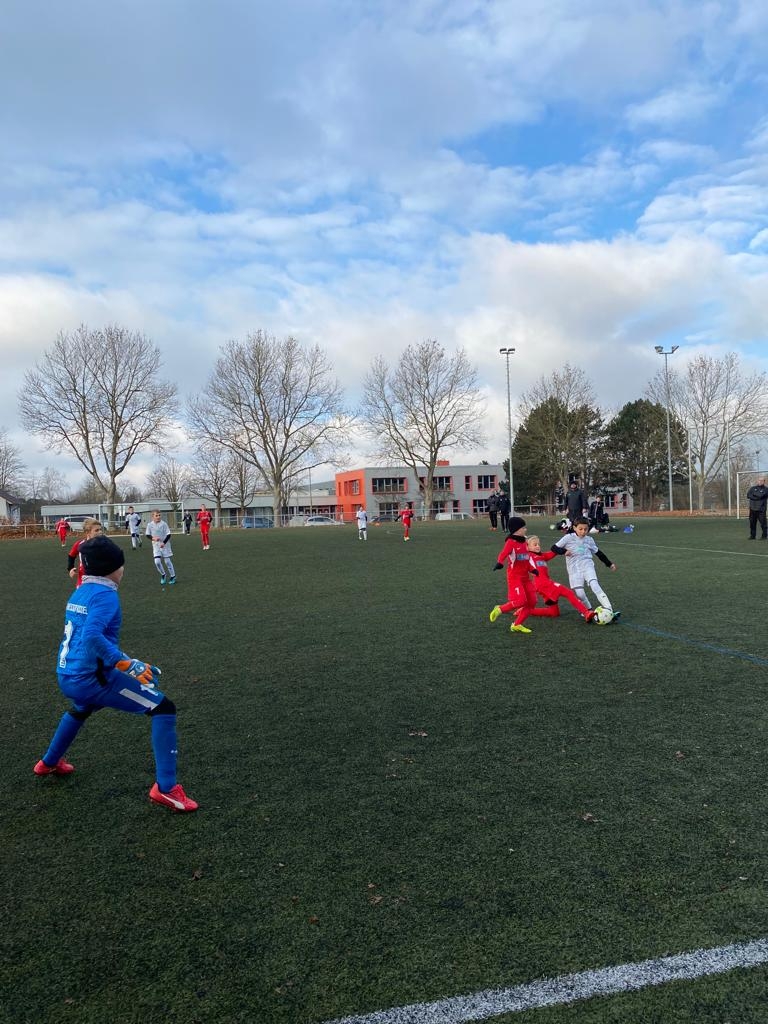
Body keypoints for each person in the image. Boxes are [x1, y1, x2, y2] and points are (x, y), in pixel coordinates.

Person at [33, 536, 197, 812]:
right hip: (92, 679)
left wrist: (128, 660)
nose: (123, 570)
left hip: (68, 674)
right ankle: (166, 789)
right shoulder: (105, 595)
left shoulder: (80, 591)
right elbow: (91, 637)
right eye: (121, 565)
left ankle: (48, 762)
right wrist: (126, 664)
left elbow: (89, 639)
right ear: (111, 569)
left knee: (81, 709)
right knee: (163, 708)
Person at [550, 517, 619, 620]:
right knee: (580, 594)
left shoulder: (589, 540)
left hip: (587, 566)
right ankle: (588, 611)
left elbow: (598, 553)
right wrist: (564, 551)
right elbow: (554, 548)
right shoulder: (568, 538)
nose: (583, 532)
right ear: (574, 528)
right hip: (574, 570)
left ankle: (609, 610)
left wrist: (609, 564)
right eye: (580, 529)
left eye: (585, 529)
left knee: (595, 585)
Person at [524, 535, 596, 623]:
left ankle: (526, 611)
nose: (538, 546)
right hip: (543, 584)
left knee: (554, 612)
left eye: (538, 544)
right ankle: (586, 613)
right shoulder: (529, 556)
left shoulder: (542, 556)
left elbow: (553, 552)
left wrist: (564, 546)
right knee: (568, 593)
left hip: (543, 585)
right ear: (527, 547)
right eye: (535, 545)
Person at [489, 516, 538, 633]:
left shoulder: (524, 541)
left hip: (525, 577)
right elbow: (504, 553)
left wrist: (532, 569)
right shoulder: (511, 542)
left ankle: (516, 625)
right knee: (520, 601)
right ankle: (499, 609)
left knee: (532, 602)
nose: (525, 529)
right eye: (523, 527)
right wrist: (500, 562)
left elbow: (526, 559)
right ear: (517, 529)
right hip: (515, 577)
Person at [66, 517, 103, 587]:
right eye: (97, 530)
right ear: (87, 532)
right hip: (83, 581)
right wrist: (70, 569)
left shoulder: (105, 544)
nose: (100, 532)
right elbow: (71, 556)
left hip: (101, 580)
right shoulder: (79, 544)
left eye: (100, 529)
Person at [146, 510, 177, 585]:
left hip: (165, 545)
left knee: (167, 561)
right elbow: (147, 535)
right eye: (156, 515)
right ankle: (163, 574)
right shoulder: (150, 525)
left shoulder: (164, 524)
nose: (158, 517)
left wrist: (164, 543)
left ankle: (173, 576)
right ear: (153, 516)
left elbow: (168, 534)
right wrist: (153, 538)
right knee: (157, 562)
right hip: (156, 545)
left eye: (159, 515)